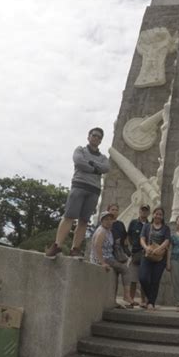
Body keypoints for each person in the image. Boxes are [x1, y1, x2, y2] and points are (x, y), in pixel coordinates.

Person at [46, 128, 109, 258]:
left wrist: (91, 163)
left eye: (99, 137)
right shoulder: (80, 150)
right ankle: (57, 245)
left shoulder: (104, 157)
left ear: (101, 141)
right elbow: (79, 162)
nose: (96, 138)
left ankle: (75, 248)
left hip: (94, 190)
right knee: (69, 216)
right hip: (79, 186)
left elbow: (106, 168)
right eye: (94, 135)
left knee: (84, 221)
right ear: (88, 136)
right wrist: (95, 168)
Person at [90, 211, 134, 306]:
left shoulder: (108, 231)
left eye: (111, 219)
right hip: (104, 258)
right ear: (102, 221)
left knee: (119, 270)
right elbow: (97, 247)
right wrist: (102, 262)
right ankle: (126, 295)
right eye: (106, 219)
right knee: (125, 269)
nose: (109, 221)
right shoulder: (101, 231)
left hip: (109, 257)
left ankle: (113, 300)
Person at [139, 207, 170, 310]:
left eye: (160, 214)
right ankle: (150, 298)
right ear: (153, 215)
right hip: (147, 255)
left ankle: (151, 303)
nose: (158, 216)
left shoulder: (166, 228)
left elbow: (167, 241)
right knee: (143, 278)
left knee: (155, 280)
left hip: (160, 257)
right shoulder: (147, 226)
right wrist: (146, 248)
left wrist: (159, 249)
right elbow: (142, 239)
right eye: (156, 214)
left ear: (163, 216)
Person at [127, 205, 151, 305]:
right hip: (135, 254)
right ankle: (131, 299)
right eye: (142, 210)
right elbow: (128, 236)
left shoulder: (150, 225)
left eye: (146, 211)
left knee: (144, 278)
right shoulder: (133, 223)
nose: (144, 212)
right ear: (139, 211)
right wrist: (132, 248)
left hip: (146, 255)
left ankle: (143, 300)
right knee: (133, 279)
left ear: (148, 213)